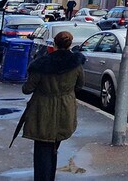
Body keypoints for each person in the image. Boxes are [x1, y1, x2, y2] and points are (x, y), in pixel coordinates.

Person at [21, 30, 84, 181]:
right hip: (65, 109)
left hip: (42, 111)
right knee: (54, 146)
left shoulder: (42, 64)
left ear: (54, 44)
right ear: (70, 45)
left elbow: (27, 89)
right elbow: (80, 85)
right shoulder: (75, 64)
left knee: (42, 149)